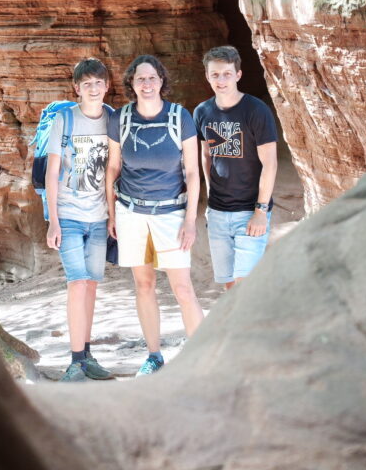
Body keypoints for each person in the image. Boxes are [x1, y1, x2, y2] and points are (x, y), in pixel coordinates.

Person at [106, 55, 203, 376]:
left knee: (183, 288)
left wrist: (190, 220)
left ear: (162, 81)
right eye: (140, 79)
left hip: (171, 213)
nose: (147, 84)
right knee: (144, 284)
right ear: (131, 85)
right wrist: (111, 214)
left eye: (152, 78)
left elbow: (192, 171)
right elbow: (113, 168)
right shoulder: (120, 119)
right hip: (131, 212)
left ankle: (201, 356)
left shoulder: (180, 117)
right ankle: (154, 355)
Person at [45, 58, 113, 383]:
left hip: (99, 217)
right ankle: (74, 362)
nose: (93, 88)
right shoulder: (65, 119)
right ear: (77, 88)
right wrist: (53, 220)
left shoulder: (112, 119)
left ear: (107, 86)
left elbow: (116, 170)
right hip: (69, 215)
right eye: (87, 83)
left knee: (91, 286)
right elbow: (52, 171)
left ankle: (87, 355)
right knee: (76, 283)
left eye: (98, 82)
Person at [193, 45, 278, 290]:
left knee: (245, 285)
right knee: (230, 285)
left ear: (238, 75)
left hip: (249, 212)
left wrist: (261, 210)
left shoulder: (256, 110)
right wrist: (209, 198)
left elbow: (270, 163)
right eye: (215, 74)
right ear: (207, 76)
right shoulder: (202, 111)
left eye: (227, 74)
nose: (221, 80)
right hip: (218, 212)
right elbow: (206, 155)